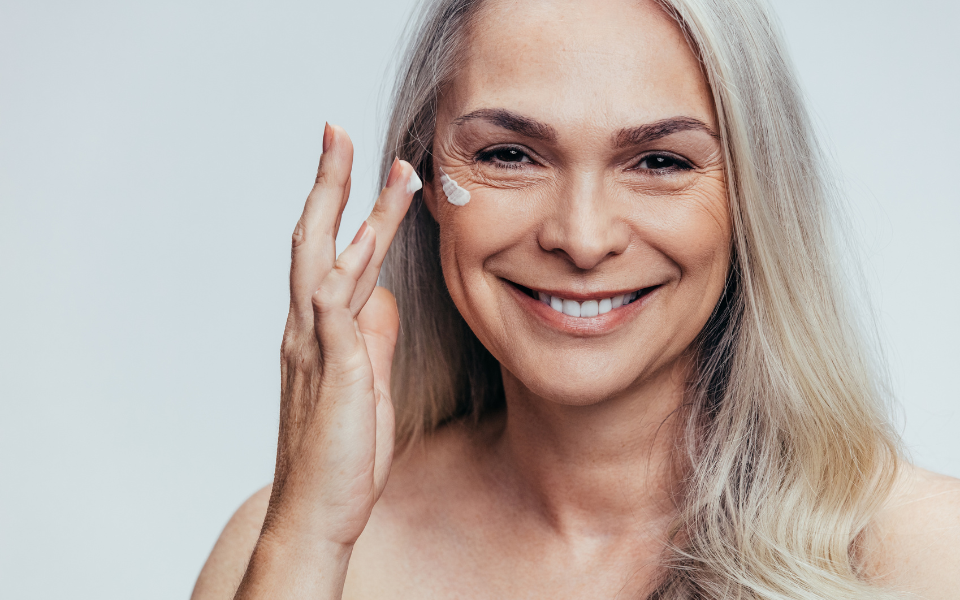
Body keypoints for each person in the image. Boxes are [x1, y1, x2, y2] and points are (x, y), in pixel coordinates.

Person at [191, 0, 960, 598]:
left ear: (752, 197)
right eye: (510, 155)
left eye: (658, 161)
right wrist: (307, 544)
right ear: (422, 176)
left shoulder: (927, 558)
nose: (582, 238)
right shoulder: (291, 545)